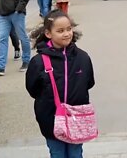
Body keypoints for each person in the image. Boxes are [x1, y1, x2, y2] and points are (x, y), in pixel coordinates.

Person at [26, 9, 95, 158]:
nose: (66, 34)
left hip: (76, 119)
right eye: (60, 30)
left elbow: (89, 83)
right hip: (50, 120)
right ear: (48, 33)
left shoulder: (83, 58)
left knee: (76, 153)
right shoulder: (38, 62)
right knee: (57, 153)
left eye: (69, 29)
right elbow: (33, 89)